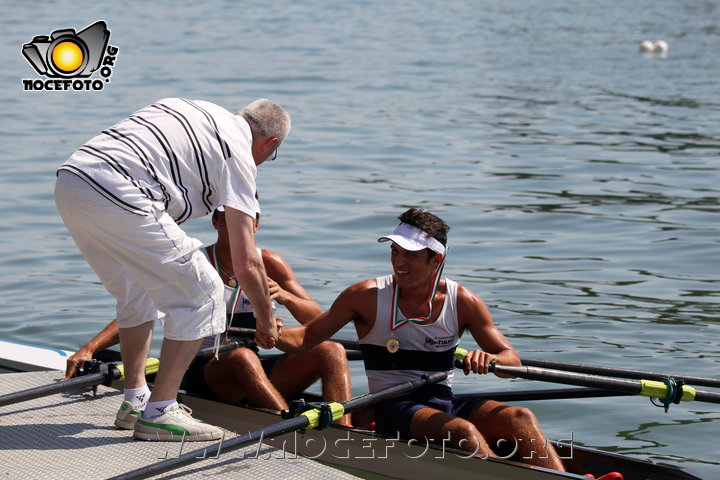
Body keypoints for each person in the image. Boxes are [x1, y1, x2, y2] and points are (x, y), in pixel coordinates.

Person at [54, 97, 288, 441]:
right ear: (271, 144)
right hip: (119, 190)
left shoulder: (191, 109)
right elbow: (246, 260)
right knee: (205, 291)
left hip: (72, 181)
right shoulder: (238, 151)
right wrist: (266, 320)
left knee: (138, 290)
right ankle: (160, 412)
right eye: (272, 156)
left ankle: (136, 400)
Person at [276, 208, 567, 471]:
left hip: (443, 402)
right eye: (394, 252)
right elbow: (306, 337)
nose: (398, 262)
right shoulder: (365, 296)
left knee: (520, 417)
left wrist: (491, 359)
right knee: (462, 432)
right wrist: (272, 332)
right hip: (393, 406)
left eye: (410, 255)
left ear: (436, 259)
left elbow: (509, 359)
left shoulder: (463, 301)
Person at [64, 208, 352, 426]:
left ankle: (345, 432)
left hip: (253, 368)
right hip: (203, 371)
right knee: (242, 356)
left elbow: (319, 321)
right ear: (216, 223)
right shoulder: (195, 264)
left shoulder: (269, 263)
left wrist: (285, 297)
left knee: (331, 350)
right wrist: (90, 348)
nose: (240, 227)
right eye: (229, 219)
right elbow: (140, 310)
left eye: (247, 220)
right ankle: (285, 425)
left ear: (257, 224)